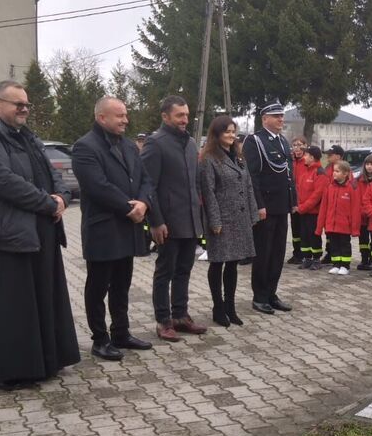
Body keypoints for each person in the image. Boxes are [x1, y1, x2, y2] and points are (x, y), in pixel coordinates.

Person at [0, 80, 80, 390]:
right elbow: (5, 182)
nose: (24, 108)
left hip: (40, 232)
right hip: (4, 237)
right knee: (13, 308)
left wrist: (61, 197)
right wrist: (48, 203)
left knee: (42, 301)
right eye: (18, 104)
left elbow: (53, 174)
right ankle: (15, 371)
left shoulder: (29, 138)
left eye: (26, 103)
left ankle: (47, 361)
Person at [71, 97, 155, 362]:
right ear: (101, 117)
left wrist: (143, 202)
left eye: (125, 115)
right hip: (103, 229)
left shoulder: (129, 146)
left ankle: (121, 332)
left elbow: (144, 178)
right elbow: (97, 186)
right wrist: (129, 208)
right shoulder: (85, 147)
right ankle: (100, 339)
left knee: (122, 284)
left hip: (127, 227)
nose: (125, 120)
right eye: (119, 115)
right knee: (98, 287)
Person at [142, 95, 208, 341]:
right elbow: (148, 186)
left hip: (190, 220)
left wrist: (199, 215)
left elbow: (195, 184)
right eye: (180, 115)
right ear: (165, 116)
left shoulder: (191, 143)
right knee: (164, 272)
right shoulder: (155, 144)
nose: (185, 119)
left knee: (184, 270)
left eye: (187, 115)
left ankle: (180, 316)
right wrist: (156, 221)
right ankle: (163, 321)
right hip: (167, 222)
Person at [199, 115, 259, 327]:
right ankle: (218, 308)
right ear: (216, 134)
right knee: (217, 263)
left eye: (234, 131)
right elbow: (209, 192)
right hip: (222, 220)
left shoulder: (239, 157)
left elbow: (249, 186)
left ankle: (230, 307)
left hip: (240, 219)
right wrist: (215, 221)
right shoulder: (209, 159)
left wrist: (253, 213)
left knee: (233, 265)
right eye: (227, 132)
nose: (232, 135)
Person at [243, 100, 297, 314]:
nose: (280, 120)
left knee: (278, 252)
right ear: (265, 119)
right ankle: (259, 296)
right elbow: (252, 177)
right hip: (265, 206)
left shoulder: (283, 141)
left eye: (282, 116)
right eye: (276, 116)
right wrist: (258, 204)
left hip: (282, 205)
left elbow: (289, 174)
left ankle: (271, 292)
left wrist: (293, 200)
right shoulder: (254, 141)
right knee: (263, 253)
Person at [317, 160, 362, 275]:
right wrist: (320, 226)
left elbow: (355, 209)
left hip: (344, 225)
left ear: (346, 173)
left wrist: (355, 228)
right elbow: (324, 207)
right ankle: (336, 264)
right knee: (334, 245)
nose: (334, 173)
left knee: (344, 246)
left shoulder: (352, 188)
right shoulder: (329, 187)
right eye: (334, 171)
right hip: (331, 224)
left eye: (337, 171)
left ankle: (345, 265)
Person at [296, 145, 328, 270]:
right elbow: (299, 190)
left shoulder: (320, 173)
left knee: (314, 236)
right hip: (303, 211)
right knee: (304, 236)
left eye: (306, 155)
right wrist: (299, 205)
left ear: (312, 157)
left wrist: (303, 207)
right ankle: (307, 258)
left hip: (314, 213)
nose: (304, 157)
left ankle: (316, 259)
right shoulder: (306, 172)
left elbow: (317, 195)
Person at [286, 136, 308, 264]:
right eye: (295, 145)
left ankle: (305, 254)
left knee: (304, 229)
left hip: (304, 201)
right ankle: (297, 253)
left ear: (305, 146)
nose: (297, 148)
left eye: (300, 145)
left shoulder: (307, 161)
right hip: (293, 201)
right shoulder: (290, 161)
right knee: (295, 229)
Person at [355, 155, 372, 270]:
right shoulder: (359, 180)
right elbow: (357, 198)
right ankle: (364, 259)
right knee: (363, 240)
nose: (369, 167)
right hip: (362, 216)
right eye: (367, 164)